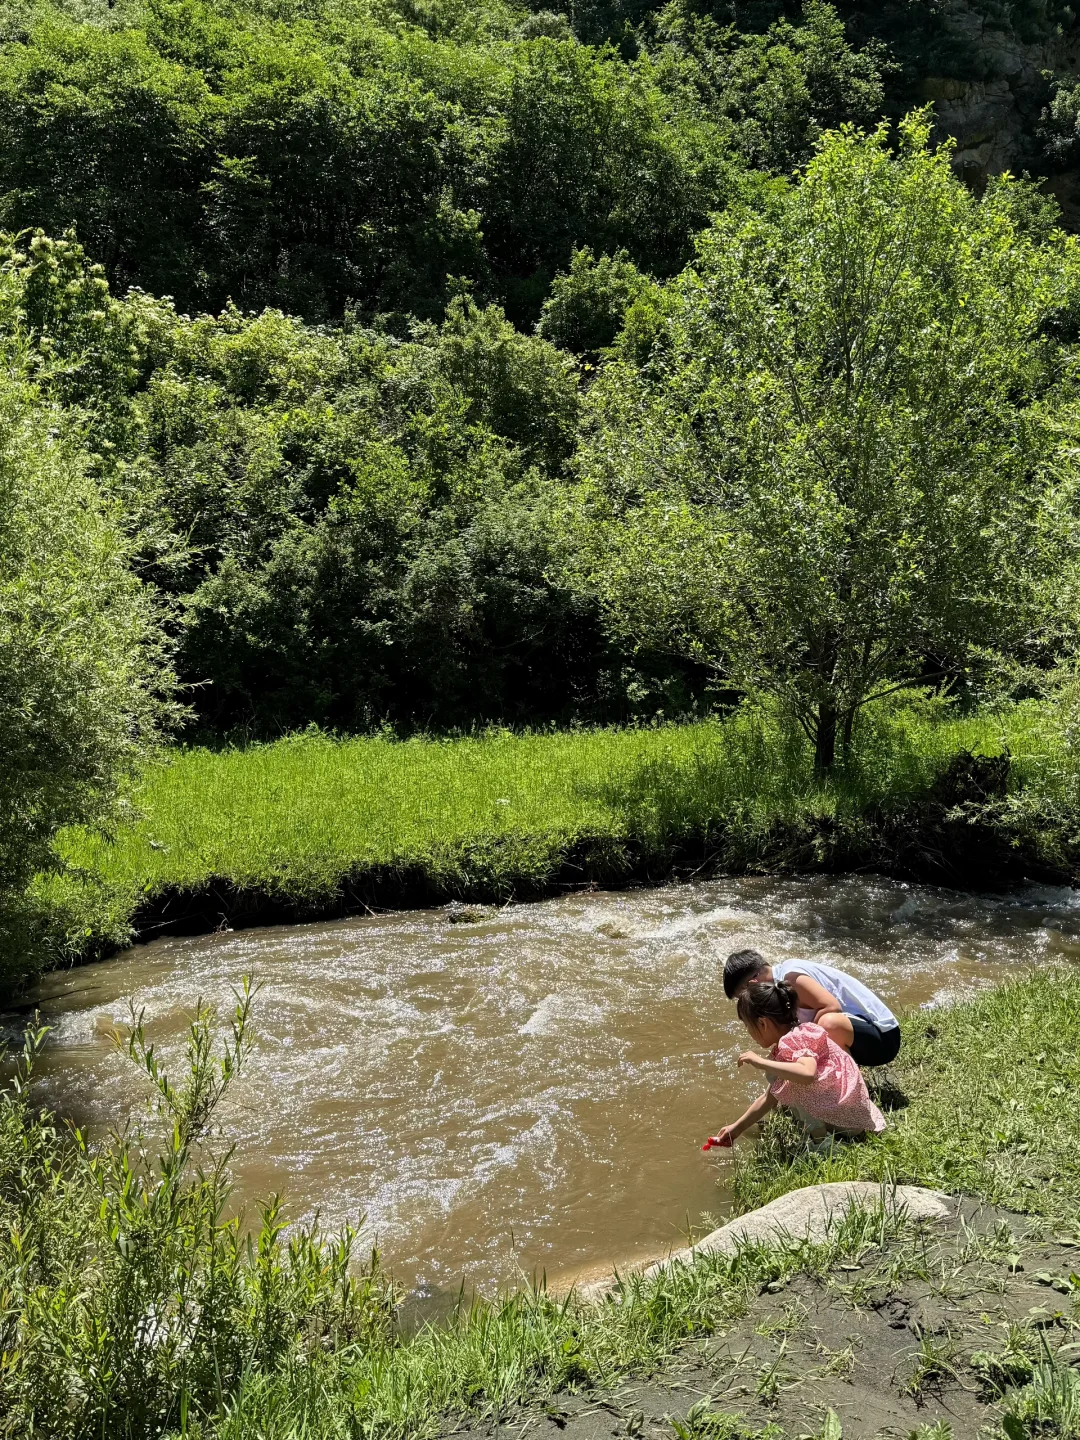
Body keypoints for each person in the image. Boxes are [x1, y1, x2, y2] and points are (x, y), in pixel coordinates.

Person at [702, 980, 886, 1150]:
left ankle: (822, 1146)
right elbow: (769, 1097)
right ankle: (822, 1133)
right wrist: (735, 1129)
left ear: (763, 1023)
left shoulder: (794, 1041)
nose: (748, 1033)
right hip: (852, 1113)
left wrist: (760, 1062)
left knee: (794, 1082)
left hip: (847, 1121)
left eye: (748, 1027)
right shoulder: (800, 1033)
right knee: (783, 1082)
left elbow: (807, 1074)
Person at [723, 948, 901, 1068]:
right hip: (858, 1036)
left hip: (883, 1039)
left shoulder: (790, 977)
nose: (746, 1002)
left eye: (742, 996)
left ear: (752, 984)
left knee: (828, 1023)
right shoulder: (778, 985)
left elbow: (832, 1007)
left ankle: (850, 1086)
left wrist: (807, 1045)